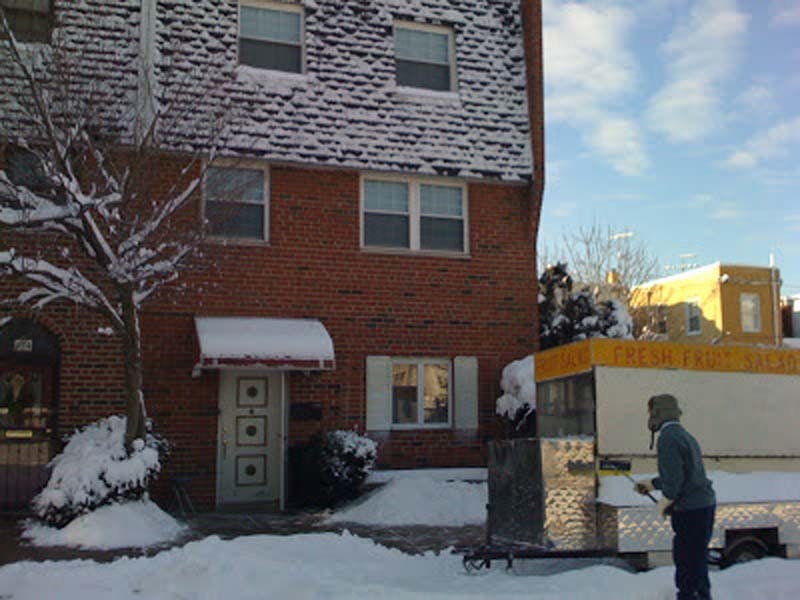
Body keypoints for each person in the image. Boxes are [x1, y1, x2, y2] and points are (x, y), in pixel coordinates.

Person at [634, 393, 716, 600]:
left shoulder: (668, 438)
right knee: (697, 560)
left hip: (690, 510)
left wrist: (666, 500)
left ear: (657, 413)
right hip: (703, 506)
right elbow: (685, 474)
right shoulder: (684, 435)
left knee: (686, 561)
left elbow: (674, 482)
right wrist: (653, 484)